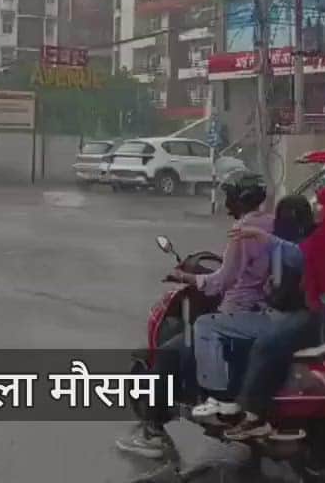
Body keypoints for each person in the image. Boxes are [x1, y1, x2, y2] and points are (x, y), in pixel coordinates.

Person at [115, 170, 274, 459]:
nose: (226, 202)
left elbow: (220, 281)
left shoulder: (242, 232)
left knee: (168, 354)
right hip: (265, 314)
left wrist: (185, 277)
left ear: (242, 198)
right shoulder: (271, 224)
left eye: (230, 195)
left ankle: (153, 431)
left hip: (236, 315)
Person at [224, 185, 325, 440]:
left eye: (323, 205)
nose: (318, 209)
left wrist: (263, 238)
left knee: (267, 344)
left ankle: (254, 415)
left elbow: (299, 257)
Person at [188, 194, 317, 421]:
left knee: (204, 326)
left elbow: (225, 280)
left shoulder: (268, 240)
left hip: (274, 316)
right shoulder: (314, 241)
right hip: (309, 320)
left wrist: (189, 278)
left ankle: (219, 398)